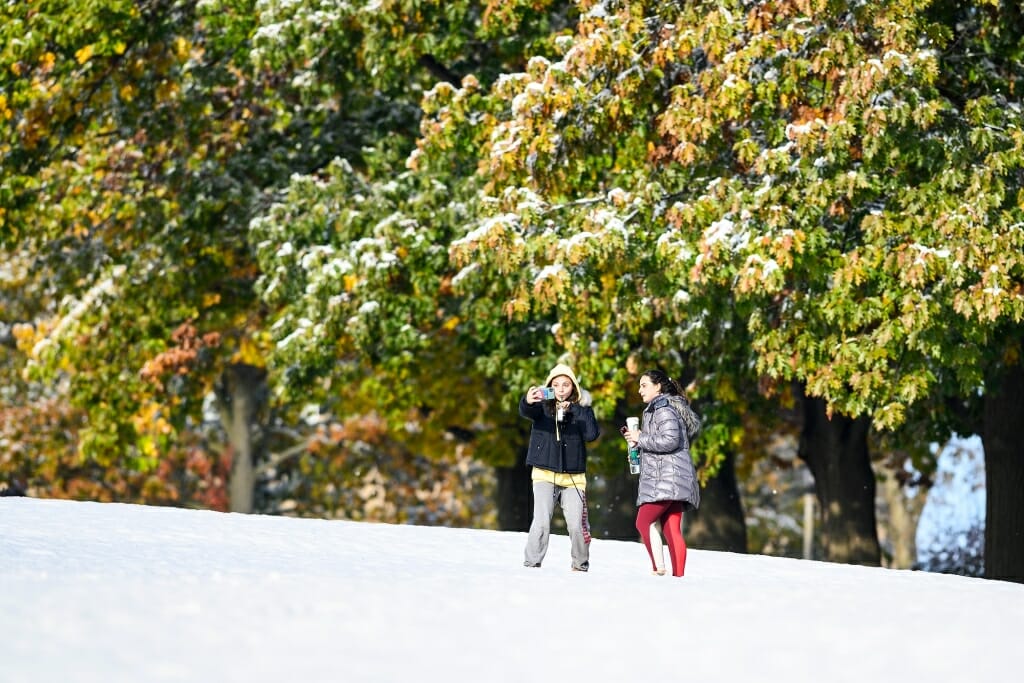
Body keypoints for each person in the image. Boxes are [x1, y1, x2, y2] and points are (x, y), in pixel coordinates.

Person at [520, 363, 600, 572]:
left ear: (573, 387)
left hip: (574, 477)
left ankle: (580, 565)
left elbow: (592, 434)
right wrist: (528, 400)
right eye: (556, 385)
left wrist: (574, 410)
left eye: (566, 384)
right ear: (549, 386)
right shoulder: (542, 407)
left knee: (577, 525)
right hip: (544, 474)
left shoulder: (583, 410)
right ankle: (531, 564)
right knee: (542, 522)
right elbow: (526, 410)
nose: (561, 389)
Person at [623, 369, 701, 577]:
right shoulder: (659, 408)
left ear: (658, 387)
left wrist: (641, 438)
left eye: (644, 385)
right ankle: (679, 577)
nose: (640, 390)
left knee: (643, 522)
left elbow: (669, 441)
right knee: (670, 528)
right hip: (673, 476)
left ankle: (659, 568)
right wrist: (637, 442)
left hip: (666, 478)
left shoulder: (663, 410)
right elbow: (660, 441)